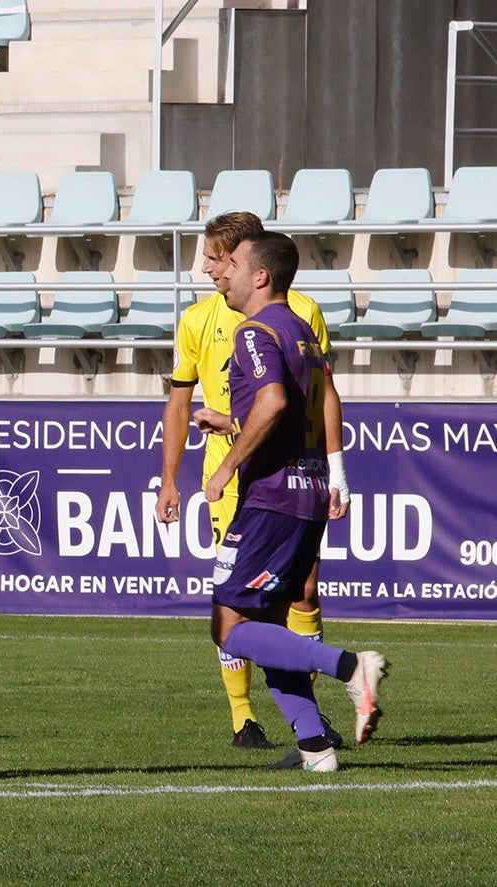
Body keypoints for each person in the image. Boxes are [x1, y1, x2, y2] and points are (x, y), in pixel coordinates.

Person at [155, 211, 351, 750]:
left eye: (220, 259)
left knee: (239, 619)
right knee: (256, 615)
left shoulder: (275, 319)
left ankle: (350, 670)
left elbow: (289, 399)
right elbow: (181, 402)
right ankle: (290, 734)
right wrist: (170, 476)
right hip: (273, 484)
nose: (208, 269)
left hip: (264, 485)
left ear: (254, 265)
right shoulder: (200, 319)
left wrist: (226, 464)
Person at [201, 230, 386, 772]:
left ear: (260, 275)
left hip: (272, 496)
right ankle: (314, 747)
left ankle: (350, 666)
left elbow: (275, 401)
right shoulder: (301, 330)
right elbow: (313, 403)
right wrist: (232, 420)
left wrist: (228, 463)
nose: (222, 273)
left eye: (231, 263)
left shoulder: (254, 331)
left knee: (230, 627)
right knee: (270, 628)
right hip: (305, 490)